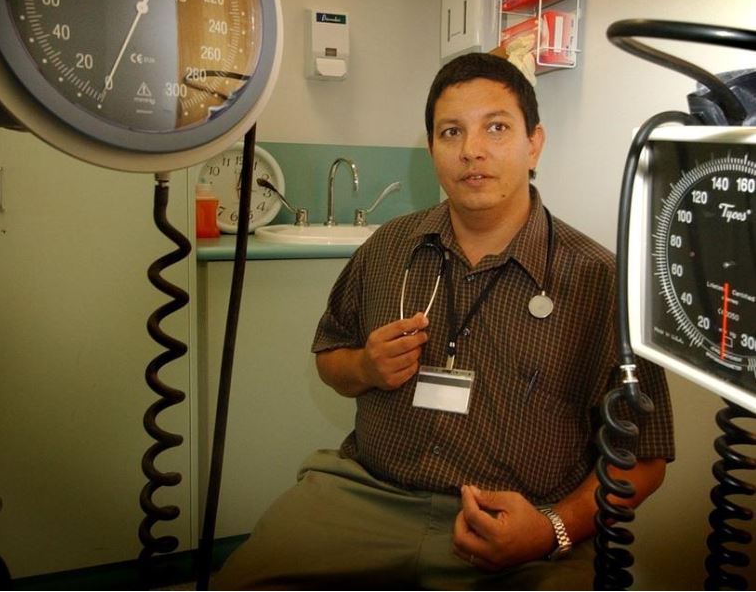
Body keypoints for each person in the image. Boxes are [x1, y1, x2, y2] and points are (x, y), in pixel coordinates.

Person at [214, 52, 675, 590]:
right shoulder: (388, 248)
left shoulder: (600, 281)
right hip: (368, 497)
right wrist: (365, 365)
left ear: (534, 144)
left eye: (496, 128)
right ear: (431, 148)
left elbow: (645, 458)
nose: (472, 151)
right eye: (450, 131)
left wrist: (551, 530)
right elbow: (330, 361)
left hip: (520, 522)